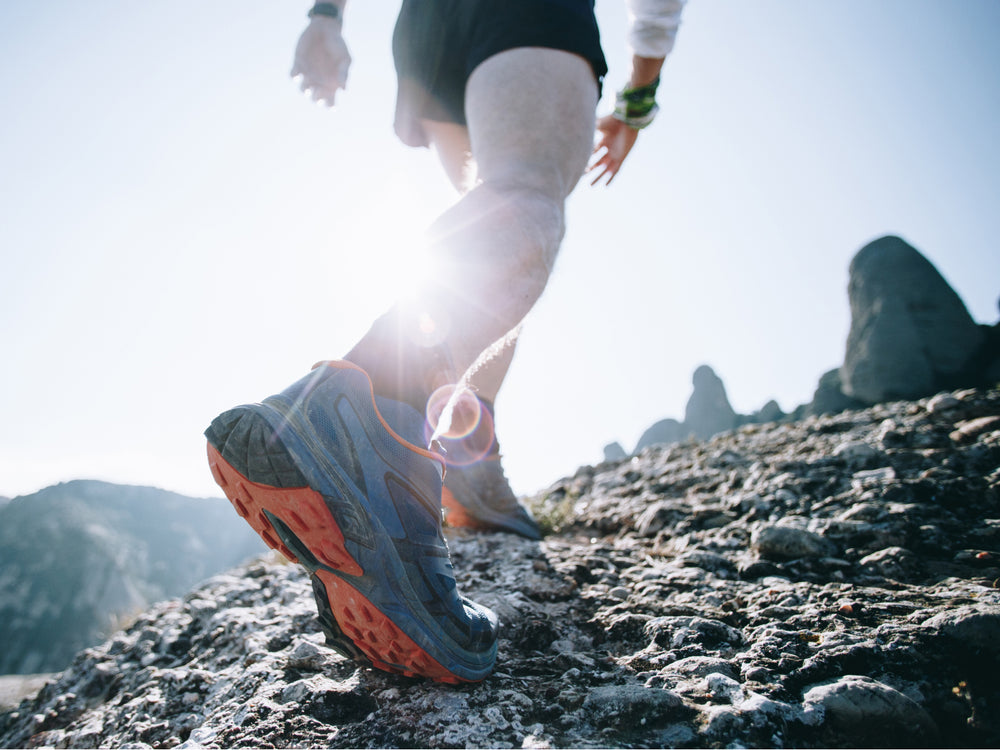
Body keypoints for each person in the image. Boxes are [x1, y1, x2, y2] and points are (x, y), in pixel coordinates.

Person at [206, 0, 686, 684]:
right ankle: (373, 404)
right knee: (529, 197)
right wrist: (639, 93)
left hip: (428, 28)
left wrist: (326, 16)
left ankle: (462, 456)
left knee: (494, 228)